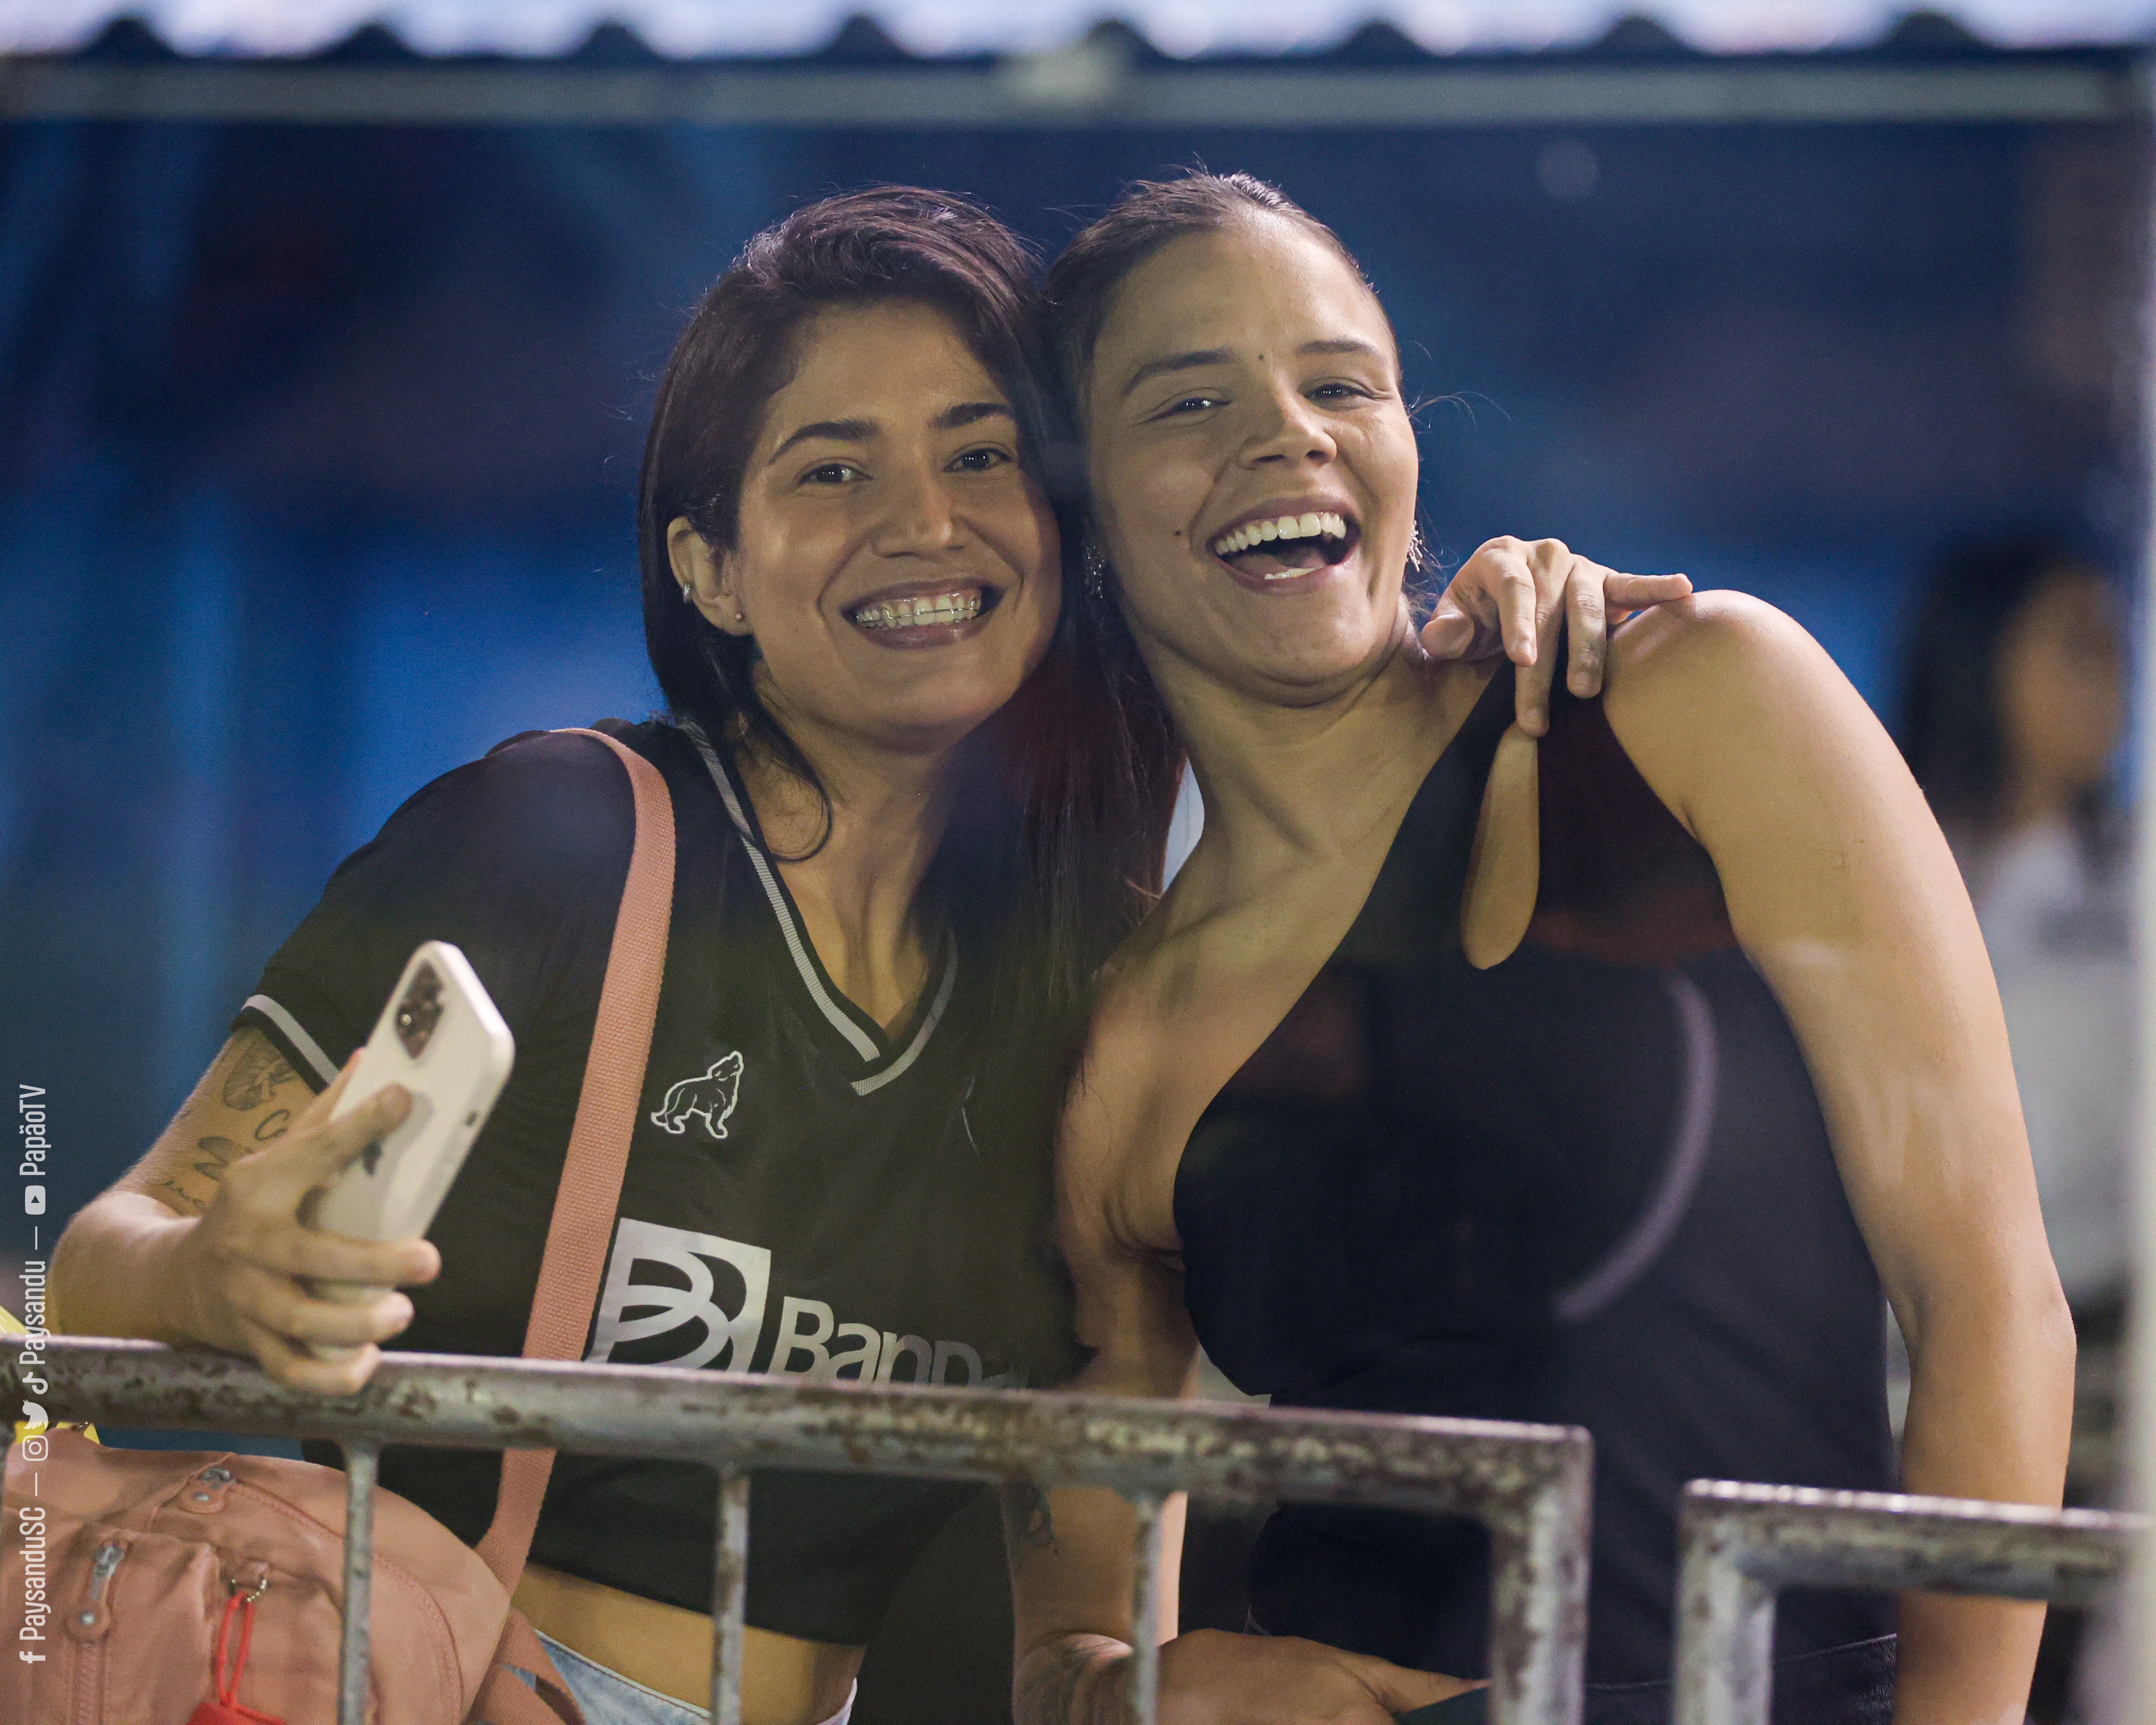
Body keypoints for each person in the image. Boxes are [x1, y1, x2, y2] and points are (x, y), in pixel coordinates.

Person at [48, 187, 1673, 1725]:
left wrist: (1507, 629)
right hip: (434, 1680)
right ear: (710, 566)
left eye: (979, 457)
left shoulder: (1090, 987)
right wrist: (213, 1270)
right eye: (830, 472)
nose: (922, 524)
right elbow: (106, 1247)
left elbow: (1083, 1562)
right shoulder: (553, 835)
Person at [1010, 174, 2076, 1725]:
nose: (1288, 432)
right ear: (1084, 514)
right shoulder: (1121, 1059)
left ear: (1402, 445)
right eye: (1190, 400)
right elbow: (1071, 1632)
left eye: (1339, 383)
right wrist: (1160, 1696)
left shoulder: (1698, 706)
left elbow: (1988, 1298)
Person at [1898, 538, 2132, 1328]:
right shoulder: (1889, 860)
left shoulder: (2135, 875)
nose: (2112, 677)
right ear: (1979, 656)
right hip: (1903, 1314)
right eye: (2077, 646)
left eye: (2115, 647)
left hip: (2099, 1315)